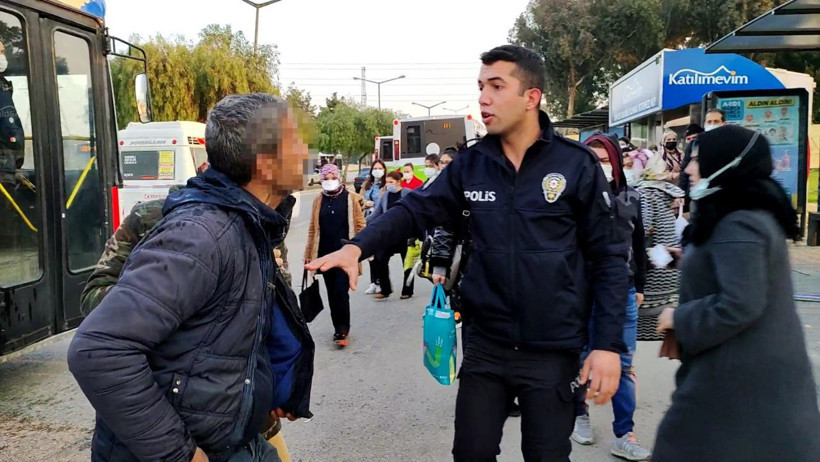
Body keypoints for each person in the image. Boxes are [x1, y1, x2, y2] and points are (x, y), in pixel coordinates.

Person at [307, 44, 628, 462]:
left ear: (531, 98)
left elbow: (608, 259)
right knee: (470, 454)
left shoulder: (576, 166)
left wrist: (607, 345)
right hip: (485, 346)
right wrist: (357, 246)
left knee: (547, 455)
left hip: (552, 350)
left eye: (497, 86)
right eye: (480, 86)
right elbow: (414, 210)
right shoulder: (470, 164)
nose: (483, 98)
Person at [68, 93, 315, 462]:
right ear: (266, 164)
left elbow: (231, 333)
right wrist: (181, 455)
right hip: (193, 448)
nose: (306, 150)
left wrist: (272, 389)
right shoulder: (201, 235)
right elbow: (99, 350)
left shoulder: (253, 224)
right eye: (296, 140)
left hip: (236, 438)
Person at [653, 125, 820, 461]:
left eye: (697, 159)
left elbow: (740, 302)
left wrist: (677, 318)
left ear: (728, 162)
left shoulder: (738, 221)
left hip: (737, 379)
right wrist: (687, 259)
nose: (687, 168)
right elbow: (734, 267)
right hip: (738, 378)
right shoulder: (737, 214)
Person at [572, 134, 650, 461]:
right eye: (592, 159)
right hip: (581, 292)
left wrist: (641, 286)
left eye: (604, 159)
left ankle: (624, 433)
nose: (599, 166)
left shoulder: (632, 198)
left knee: (625, 363)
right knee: (580, 359)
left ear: (616, 161)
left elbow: (640, 245)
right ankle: (580, 415)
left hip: (623, 292)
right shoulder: (573, 198)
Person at [304, 163, 366, 347]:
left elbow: (361, 225)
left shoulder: (351, 198)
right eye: (326, 179)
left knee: (341, 291)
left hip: (344, 254)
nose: (330, 182)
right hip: (324, 254)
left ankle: (342, 330)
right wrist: (308, 254)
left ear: (339, 179)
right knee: (332, 292)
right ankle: (337, 327)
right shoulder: (318, 200)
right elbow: (312, 229)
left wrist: (363, 249)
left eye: (333, 178)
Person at [633, 154, 684, 331]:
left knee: (647, 332)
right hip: (668, 270)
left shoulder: (645, 194)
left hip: (653, 280)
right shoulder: (664, 194)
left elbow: (643, 231)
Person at [367, 170, 412, 300]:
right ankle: (385, 289)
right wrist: (364, 222)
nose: (388, 184)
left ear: (399, 182)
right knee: (380, 259)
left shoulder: (407, 193)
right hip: (389, 233)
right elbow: (377, 213)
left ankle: (407, 290)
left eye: (391, 182)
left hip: (405, 233)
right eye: (387, 182)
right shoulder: (385, 195)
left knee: (407, 262)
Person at [361, 159, 387, 295]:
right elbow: (359, 200)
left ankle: (381, 282)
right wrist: (365, 203)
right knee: (370, 254)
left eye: (380, 168)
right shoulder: (367, 184)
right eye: (375, 168)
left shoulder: (386, 185)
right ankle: (373, 282)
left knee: (379, 254)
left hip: (380, 221)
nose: (377, 171)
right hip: (367, 220)